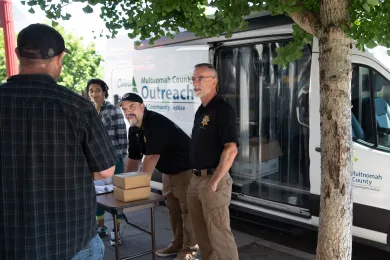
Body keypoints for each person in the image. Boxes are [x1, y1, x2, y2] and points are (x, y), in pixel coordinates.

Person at [0, 24, 118, 260]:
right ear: (59, 58)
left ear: (16, 54)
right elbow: (106, 170)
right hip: (69, 239)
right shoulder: (78, 106)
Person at [118, 93, 198, 260]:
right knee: (173, 211)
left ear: (142, 105)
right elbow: (133, 159)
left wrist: (137, 187)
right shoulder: (133, 129)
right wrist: (123, 184)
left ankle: (189, 250)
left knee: (188, 212)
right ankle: (177, 244)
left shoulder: (155, 122)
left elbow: (151, 157)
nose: (128, 112)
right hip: (168, 172)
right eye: (124, 109)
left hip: (187, 170)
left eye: (132, 107)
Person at [187, 63, 239, 260]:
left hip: (212, 180)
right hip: (195, 179)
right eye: (193, 79)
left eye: (200, 78)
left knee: (219, 235)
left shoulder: (222, 108)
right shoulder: (202, 109)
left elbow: (231, 149)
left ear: (214, 81)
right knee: (202, 234)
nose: (195, 83)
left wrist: (215, 181)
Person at [87, 78, 127, 245]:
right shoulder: (87, 110)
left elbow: (122, 134)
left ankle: (116, 232)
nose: (94, 94)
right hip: (94, 161)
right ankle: (100, 228)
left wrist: (121, 157)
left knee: (116, 195)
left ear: (104, 92)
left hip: (113, 159)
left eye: (97, 90)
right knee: (96, 195)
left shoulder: (113, 110)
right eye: (91, 91)